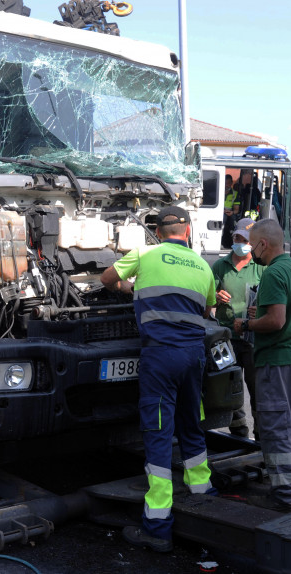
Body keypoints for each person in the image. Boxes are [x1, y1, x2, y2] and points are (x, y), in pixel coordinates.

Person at [100, 206, 217, 552]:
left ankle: (157, 525)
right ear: (188, 230)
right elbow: (207, 309)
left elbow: (107, 280)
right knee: (191, 422)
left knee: (158, 432)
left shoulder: (145, 253)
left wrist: (131, 288)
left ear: (157, 230)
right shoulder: (202, 265)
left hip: (160, 355)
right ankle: (203, 493)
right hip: (193, 356)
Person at [233, 219, 291, 512]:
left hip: (278, 360)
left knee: (277, 429)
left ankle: (286, 496)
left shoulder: (273, 273)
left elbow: (276, 321)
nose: (249, 247)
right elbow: (288, 311)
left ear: (262, 244)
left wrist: (245, 323)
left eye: (251, 242)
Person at [211, 217, 264, 439]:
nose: (239, 242)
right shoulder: (220, 266)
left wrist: (259, 309)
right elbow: (208, 301)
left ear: (253, 242)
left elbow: (272, 300)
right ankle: (238, 430)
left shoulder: (262, 266)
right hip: (227, 336)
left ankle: (261, 433)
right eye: (236, 237)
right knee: (231, 386)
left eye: (244, 239)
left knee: (257, 388)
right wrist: (215, 296)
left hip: (252, 337)